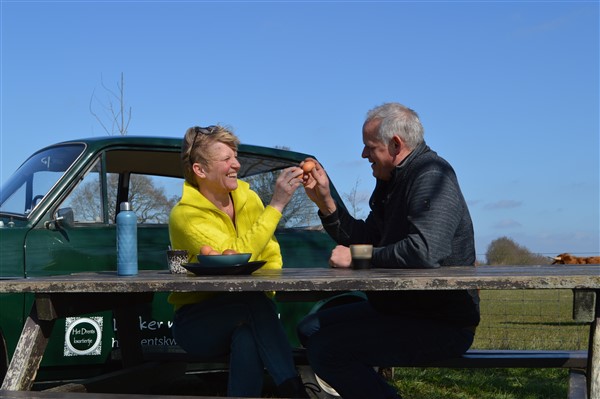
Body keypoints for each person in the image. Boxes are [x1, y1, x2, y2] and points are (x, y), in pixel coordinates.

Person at [297, 103, 481, 399]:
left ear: (396, 144)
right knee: (309, 328)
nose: (363, 155)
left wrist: (357, 257)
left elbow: (425, 251)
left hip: (441, 323)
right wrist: (325, 202)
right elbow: (368, 237)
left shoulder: (432, 176)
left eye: (369, 146)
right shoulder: (392, 181)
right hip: (400, 310)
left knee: (327, 350)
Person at [168, 124, 309, 398]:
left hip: (249, 313)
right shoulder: (184, 215)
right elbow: (233, 264)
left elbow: (268, 253)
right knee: (251, 303)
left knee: (247, 335)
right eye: (226, 159)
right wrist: (277, 205)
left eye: (236, 156)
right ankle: (294, 392)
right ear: (200, 170)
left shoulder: (250, 198)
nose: (237, 164)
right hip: (197, 324)